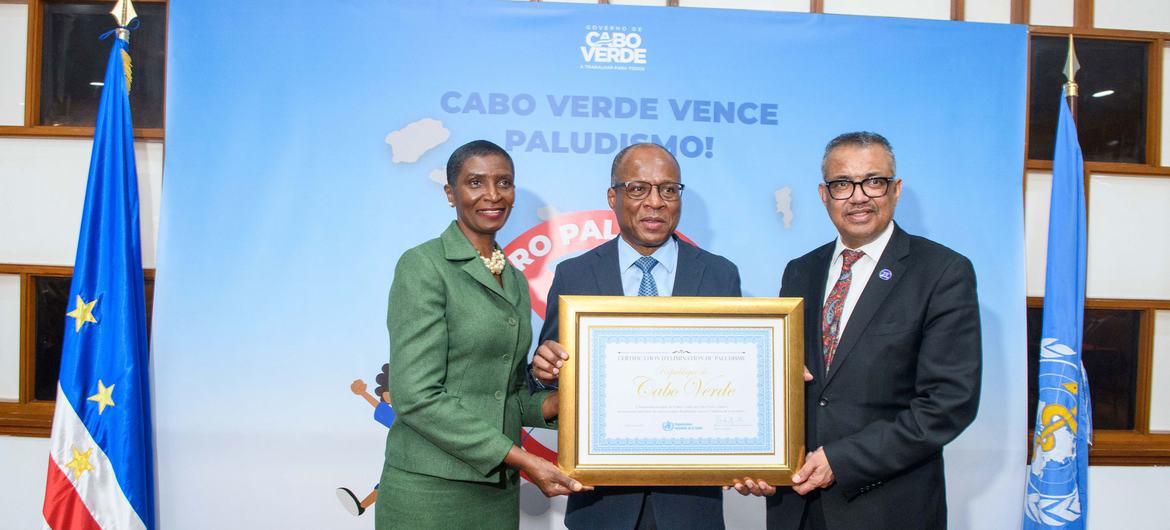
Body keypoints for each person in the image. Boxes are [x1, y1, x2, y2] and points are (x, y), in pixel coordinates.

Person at [760, 132, 982, 529]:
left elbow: (949, 402)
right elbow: (786, 379)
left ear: (895, 190)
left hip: (888, 508)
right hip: (796, 506)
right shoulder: (800, 270)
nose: (858, 196)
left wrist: (843, 460)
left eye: (873, 181)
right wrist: (757, 453)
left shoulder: (942, 272)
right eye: (842, 184)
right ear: (823, 194)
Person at [376, 140, 588, 529]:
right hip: (429, 494)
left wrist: (568, 402)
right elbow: (416, 397)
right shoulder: (424, 266)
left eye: (504, 183)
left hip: (496, 492)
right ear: (450, 193)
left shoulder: (515, 279)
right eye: (475, 182)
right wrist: (524, 460)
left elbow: (505, 397)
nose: (492, 195)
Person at [531, 142, 741, 530]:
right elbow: (542, 387)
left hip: (691, 506)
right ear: (613, 197)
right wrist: (542, 373)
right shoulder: (574, 276)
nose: (655, 202)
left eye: (668, 189)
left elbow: (734, 387)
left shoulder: (719, 276)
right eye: (638, 188)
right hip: (601, 505)